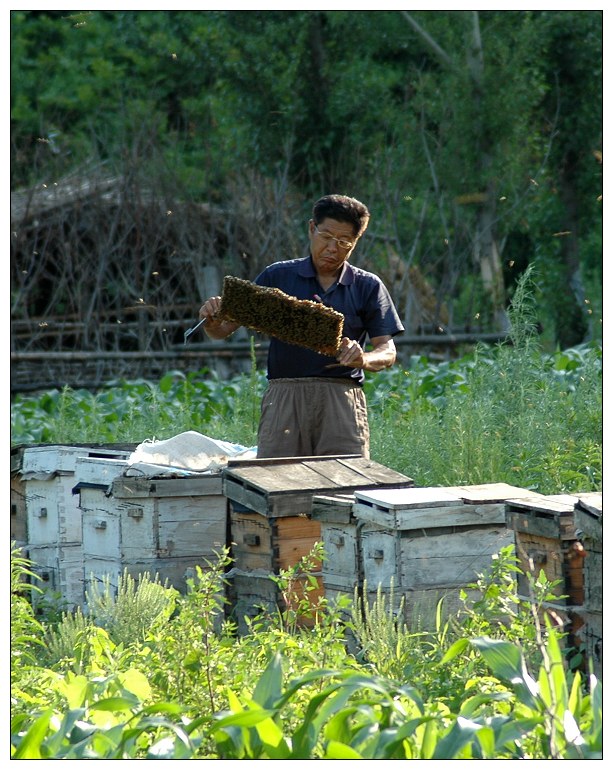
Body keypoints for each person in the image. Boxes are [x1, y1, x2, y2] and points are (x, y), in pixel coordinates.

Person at [199, 194, 404, 459]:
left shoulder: (367, 285)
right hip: (285, 398)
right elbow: (222, 330)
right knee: (277, 483)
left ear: (355, 243)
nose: (333, 248)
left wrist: (362, 358)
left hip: (341, 399)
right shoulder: (278, 276)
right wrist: (212, 319)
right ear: (311, 228)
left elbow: (387, 351)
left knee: (344, 485)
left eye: (344, 242)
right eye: (326, 237)